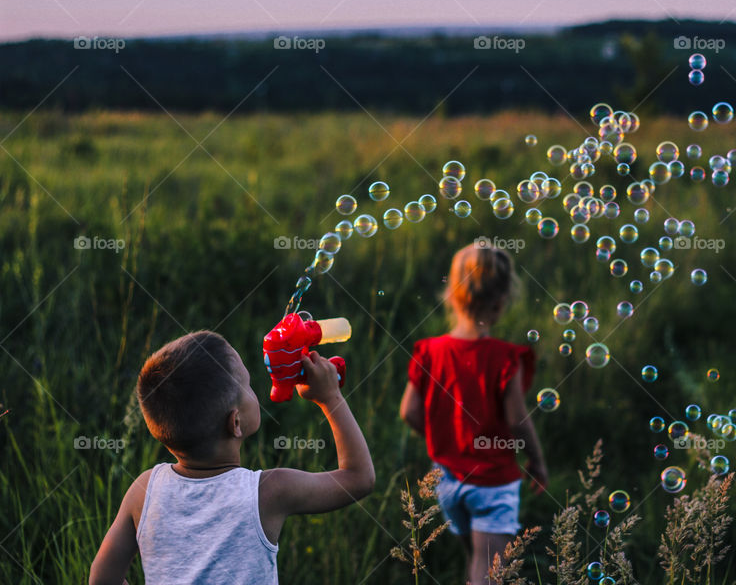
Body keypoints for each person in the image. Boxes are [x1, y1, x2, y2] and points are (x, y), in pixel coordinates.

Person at [89, 330, 374, 584]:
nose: (254, 390)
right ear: (235, 423)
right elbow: (358, 478)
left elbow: (101, 578)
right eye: (248, 385)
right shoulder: (269, 492)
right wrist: (330, 397)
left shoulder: (143, 490)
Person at [400, 243, 548, 585]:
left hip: (448, 479)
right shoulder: (504, 358)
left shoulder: (429, 351)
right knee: (488, 572)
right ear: (500, 304)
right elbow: (516, 420)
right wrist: (537, 460)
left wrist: (442, 439)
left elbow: (408, 410)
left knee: (475, 556)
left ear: (451, 297)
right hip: (492, 481)